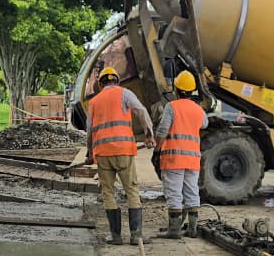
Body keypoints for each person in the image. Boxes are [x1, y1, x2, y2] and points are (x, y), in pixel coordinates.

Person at [83, 66, 156, 245]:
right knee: (132, 190)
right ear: (117, 81)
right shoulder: (125, 94)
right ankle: (136, 236)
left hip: (103, 153)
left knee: (108, 192)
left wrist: (89, 153)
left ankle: (115, 236)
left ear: (101, 84)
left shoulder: (94, 102)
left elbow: (90, 131)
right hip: (124, 151)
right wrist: (149, 135)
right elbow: (141, 111)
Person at [155, 72, 208, 239]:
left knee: (174, 193)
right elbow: (205, 124)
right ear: (192, 91)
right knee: (192, 192)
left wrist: (157, 148)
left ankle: (174, 230)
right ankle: (192, 229)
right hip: (192, 159)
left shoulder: (172, 107)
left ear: (176, 89)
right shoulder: (199, 110)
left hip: (174, 158)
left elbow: (163, 130)